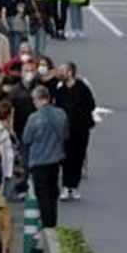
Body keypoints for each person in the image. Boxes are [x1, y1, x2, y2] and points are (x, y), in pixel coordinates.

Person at [22, 85, 68, 230]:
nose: (33, 103)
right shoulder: (61, 114)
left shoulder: (34, 118)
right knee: (53, 192)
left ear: (39, 99)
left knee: (42, 194)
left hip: (39, 160)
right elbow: (66, 134)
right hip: (55, 159)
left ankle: (47, 224)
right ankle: (53, 222)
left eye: (34, 100)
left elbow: (26, 139)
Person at [52, 62, 96, 200]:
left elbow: (91, 105)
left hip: (81, 129)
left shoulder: (82, 88)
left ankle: (74, 186)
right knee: (66, 158)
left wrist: (79, 114)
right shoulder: (60, 91)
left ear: (70, 72)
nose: (60, 73)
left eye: (62, 70)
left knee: (78, 156)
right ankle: (66, 186)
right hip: (65, 130)